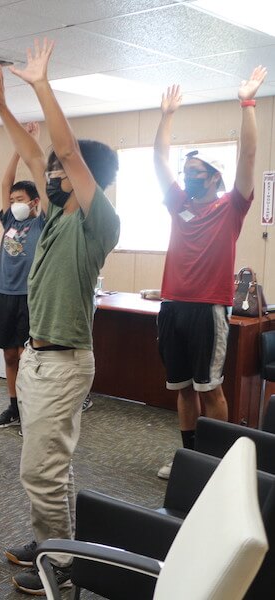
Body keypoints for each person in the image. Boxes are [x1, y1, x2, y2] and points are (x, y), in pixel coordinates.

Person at [0, 40, 121, 594]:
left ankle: (63, 565)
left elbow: (65, 153)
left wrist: (42, 86)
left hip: (65, 362)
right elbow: (44, 153)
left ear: (89, 177)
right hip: (41, 359)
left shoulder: (97, 223)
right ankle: (55, 545)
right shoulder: (54, 218)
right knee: (48, 466)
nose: (55, 175)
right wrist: (2, 111)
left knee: (39, 471)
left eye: (65, 170)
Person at [152, 67, 267, 480]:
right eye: (186, 174)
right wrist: (166, 116)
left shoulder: (232, 206)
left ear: (214, 176)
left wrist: (248, 103)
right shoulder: (179, 202)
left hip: (207, 309)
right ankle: (190, 458)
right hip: (173, 305)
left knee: (210, 389)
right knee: (182, 388)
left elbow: (249, 156)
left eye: (195, 174)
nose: (186, 179)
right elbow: (158, 160)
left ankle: (216, 464)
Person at [0, 123, 45, 430]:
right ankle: (14, 407)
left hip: (30, 295)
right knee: (10, 353)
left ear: (34, 201)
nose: (14, 204)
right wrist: (16, 149)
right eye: (12, 200)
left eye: (20, 199)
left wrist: (32, 146)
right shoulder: (9, 218)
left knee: (27, 355)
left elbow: (42, 184)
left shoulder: (43, 223)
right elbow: (4, 181)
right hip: (5, 293)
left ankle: (31, 409)